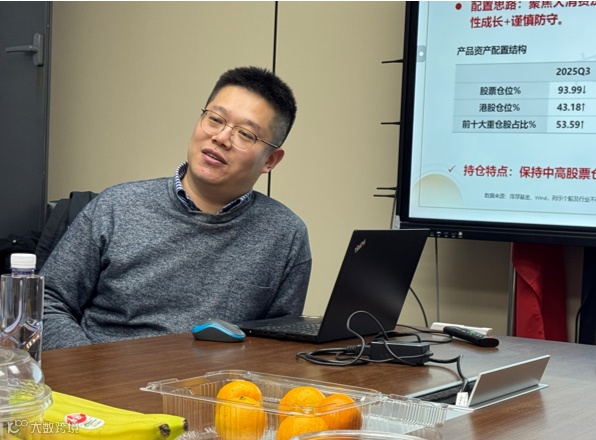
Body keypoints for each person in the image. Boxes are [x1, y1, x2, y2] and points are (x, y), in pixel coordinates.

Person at [42, 66, 311, 349]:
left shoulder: (286, 235)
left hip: (214, 378)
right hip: (100, 371)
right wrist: (87, 366)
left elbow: (278, 344)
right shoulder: (116, 207)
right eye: (215, 119)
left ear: (270, 160)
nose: (221, 138)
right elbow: (46, 302)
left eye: (245, 134)